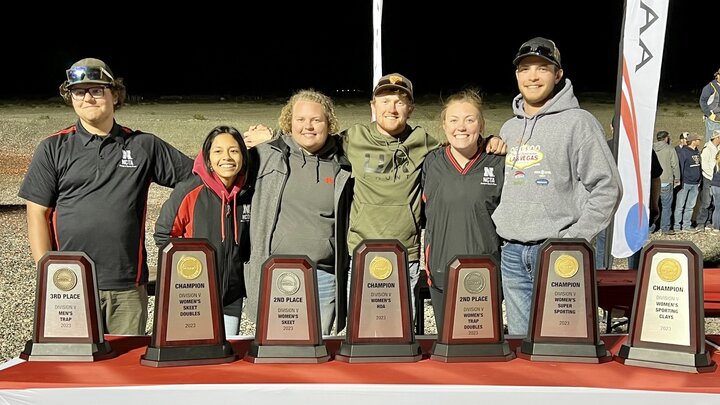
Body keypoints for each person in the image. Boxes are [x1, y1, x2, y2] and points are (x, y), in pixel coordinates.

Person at [244, 74, 507, 324]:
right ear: (373, 106)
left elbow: (461, 143)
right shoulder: (353, 138)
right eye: (384, 101)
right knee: (362, 336)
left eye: (399, 101)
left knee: (400, 335)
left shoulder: (424, 144)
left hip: (406, 257)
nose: (392, 108)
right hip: (360, 253)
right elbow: (311, 136)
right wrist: (275, 139)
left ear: (410, 108)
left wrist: (490, 142)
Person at [18, 58, 193, 335]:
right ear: (71, 97)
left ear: (115, 94)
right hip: (70, 285)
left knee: (123, 370)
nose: (87, 97)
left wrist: (244, 151)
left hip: (126, 285)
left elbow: (197, 177)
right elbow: (36, 213)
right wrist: (48, 272)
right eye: (79, 91)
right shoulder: (53, 147)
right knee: (71, 367)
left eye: (97, 90)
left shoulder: (142, 145)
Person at [491, 37, 622, 336]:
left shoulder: (579, 123)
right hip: (512, 252)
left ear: (558, 74)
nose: (532, 76)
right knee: (521, 342)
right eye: (525, 69)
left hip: (557, 252)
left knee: (561, 340)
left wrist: (574, 239)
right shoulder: (509, 128)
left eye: (542, 68)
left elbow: (607, 187)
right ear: (517, 75)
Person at [244, 89, 352, 336]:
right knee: (277, 346)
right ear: (288, 122)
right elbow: (221, 164)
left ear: (329, 123)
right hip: (278, 273)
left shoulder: (343, 161)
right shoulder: (266, 155)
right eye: (301, 120)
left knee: (318, 346)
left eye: (316, 120)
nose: (308, 126)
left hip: (324, 275)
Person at [154, 125, 252, 336]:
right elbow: (164, 234)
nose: (227, 157)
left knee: (227, 355)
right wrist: (188, 271)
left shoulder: (250, 193)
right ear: (207, 158)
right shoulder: (190, 190)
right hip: (195, 294)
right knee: (197, 352)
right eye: (218, 151)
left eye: (234, 151)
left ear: (243, 156)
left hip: (232, 296)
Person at [421, 88, 504, 330]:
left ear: (481, 124)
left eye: (470, 120)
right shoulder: (432, 163)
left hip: (485, 274)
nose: (462, 127)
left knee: (482, 349)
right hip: (441, 272)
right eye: (454, 120)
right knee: (446, 344)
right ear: (444, 125)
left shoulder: (498, 162)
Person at [674, 132, 703, 233]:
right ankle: (677, 226)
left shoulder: (697, 152)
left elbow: (699, 166)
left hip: (695, 184)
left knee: (690, 206)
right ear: (693, 141)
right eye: (698, 139)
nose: (700, 141)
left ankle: (686, 225)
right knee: (680, 206)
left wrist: (699, 180)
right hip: (685, 183)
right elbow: (680, 167)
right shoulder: (683, 152)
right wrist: (679, 182)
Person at [653, 130, 680, 235]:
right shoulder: (670, 149)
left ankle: (651, 227)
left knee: (653, 205)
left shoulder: (651, 148)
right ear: (666, 138)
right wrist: (677, 178)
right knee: (666, 206)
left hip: (653, 181)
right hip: (666, 181)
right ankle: (665, 228)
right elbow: (675, 164)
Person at [696, 130, 720, 231]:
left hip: (715, 178)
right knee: (706, 201)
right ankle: (701, 222)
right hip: (708, 178)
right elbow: (704, 165)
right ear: (716, 138)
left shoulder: (717, 148)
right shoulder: (707, 149)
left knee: (714, 203)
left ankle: (709, 221)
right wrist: (712, 175)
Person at [699, 69, 720, 143]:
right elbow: (702, 101)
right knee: (711, 142)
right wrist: (709, 114)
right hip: (713, 120)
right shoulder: (710, 87)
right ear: (717, 75)